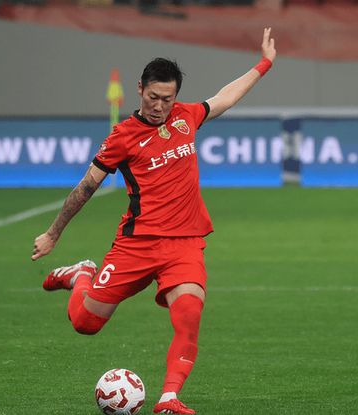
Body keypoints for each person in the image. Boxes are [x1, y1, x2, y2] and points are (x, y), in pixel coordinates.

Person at [31, 28, 277, 415]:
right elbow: (86, 187)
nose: (160, 106)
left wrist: (263, 64)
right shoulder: (122, 137)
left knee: (189, 313)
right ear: (140, 89)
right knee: (85, 323)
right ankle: (81, 274)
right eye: (153, 97)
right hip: (137, 244)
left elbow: (225, 97)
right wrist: (53, 232)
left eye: (167, 99)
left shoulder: (186, 117)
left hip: (184, 244)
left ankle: (168, 398)